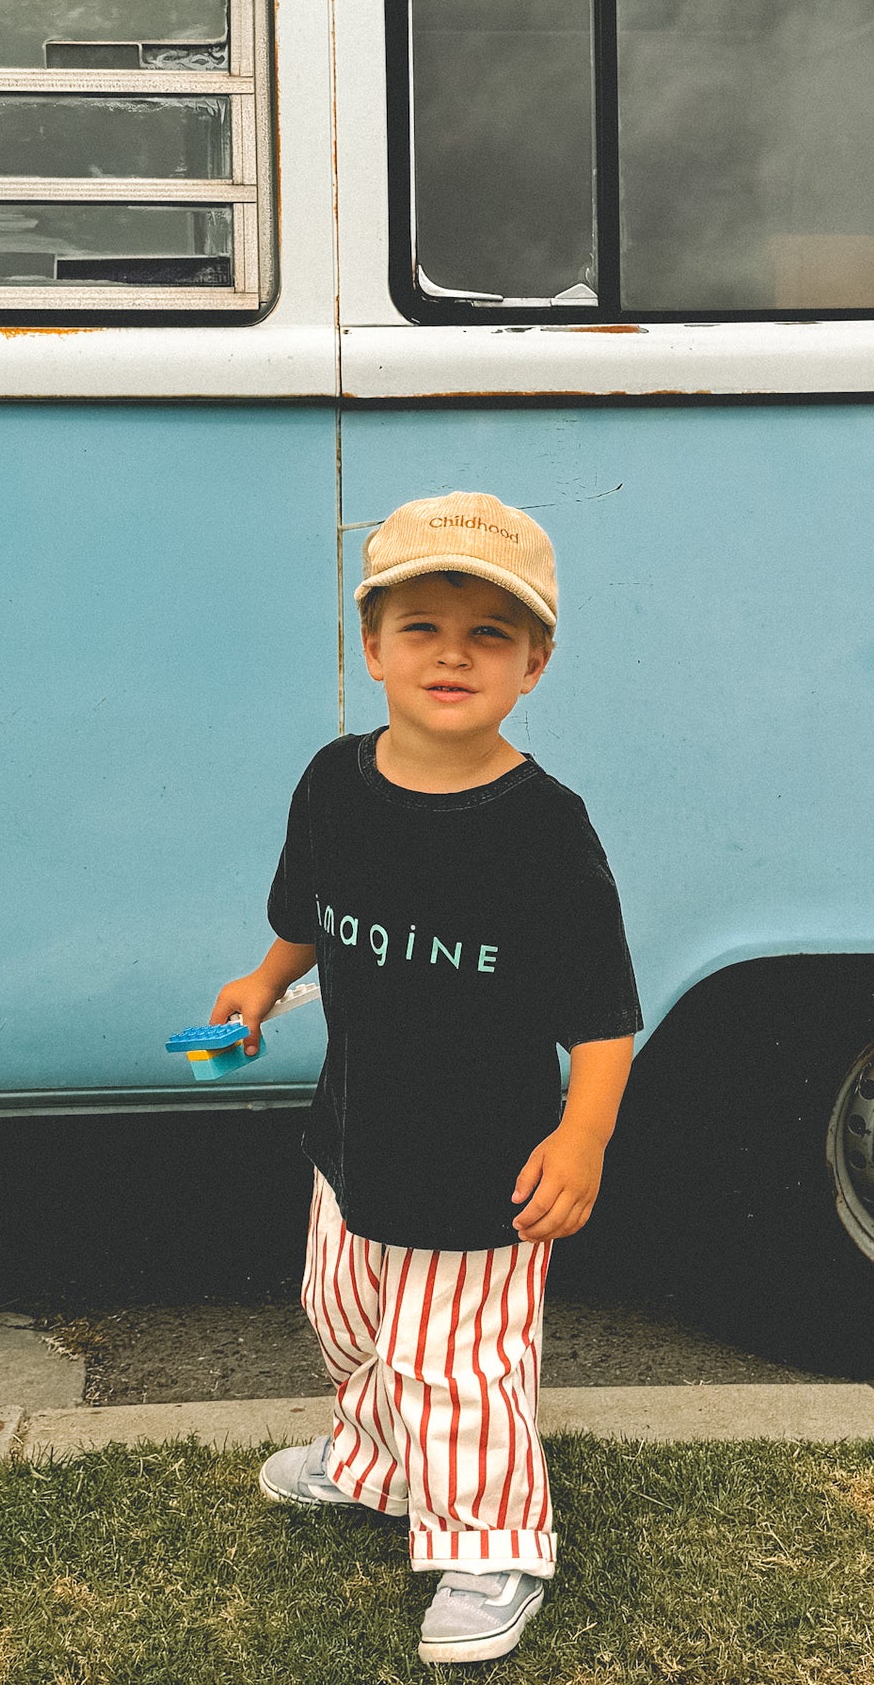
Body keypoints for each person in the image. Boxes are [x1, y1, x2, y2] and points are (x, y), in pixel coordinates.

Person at [211, 490, 641, 1665]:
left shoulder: (544, 828)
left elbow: (602, 1014)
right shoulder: (331, 783)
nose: (452, 654)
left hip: (485, 1168)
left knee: (457, 1365)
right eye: (421, 627)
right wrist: (261, 982)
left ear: (534, 664)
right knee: (345, 1321)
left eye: (490, 633)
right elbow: (305, 914)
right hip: (350, 1142)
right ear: (371, 646)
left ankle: (493, 1540)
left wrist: (584, 1137)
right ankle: (371, 1462)